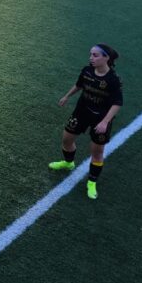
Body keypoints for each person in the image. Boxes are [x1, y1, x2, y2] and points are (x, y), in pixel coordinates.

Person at [49, 44, 123, 200]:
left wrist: (105, 122)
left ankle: (91, 183)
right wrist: (67, 96)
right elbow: (79, 85)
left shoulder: (113, 80)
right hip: (81, 112)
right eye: (90, 54)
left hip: (101, 119)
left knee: (97, 153)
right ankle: (68, 163)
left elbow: (117, 103)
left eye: (95, 55)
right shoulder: (87, 70)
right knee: (66, 140)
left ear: (106, 58)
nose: (91, 58)